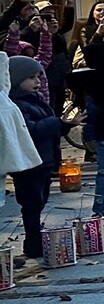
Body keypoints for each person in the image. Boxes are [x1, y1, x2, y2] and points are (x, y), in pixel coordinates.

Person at [8, 55, 65, 259]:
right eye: (31, 78)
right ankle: (33, 242)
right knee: (31, 203)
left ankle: (35, 239)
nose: (37, 82)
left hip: (43, 160)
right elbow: (31, 130)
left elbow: (49, 128)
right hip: (29, 162)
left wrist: (65, 124)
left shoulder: (35, 100)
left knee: (39, 201)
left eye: (38, 77)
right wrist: (57, 122)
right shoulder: (15, 104)